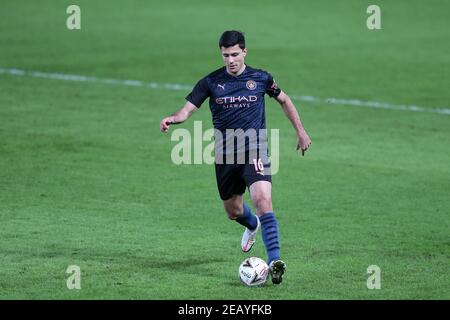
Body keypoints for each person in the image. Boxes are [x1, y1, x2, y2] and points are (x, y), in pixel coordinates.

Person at [160, 30, 311, 284]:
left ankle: (274, 261)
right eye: (225, 55)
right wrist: (174, 118)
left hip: (255, 150)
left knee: (263, 199)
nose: (230, 60)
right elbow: (188, 109)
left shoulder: (261, 78)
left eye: (234, 54)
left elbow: (284, 100)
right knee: (233, 211)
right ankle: (251, 225)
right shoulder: (211, 82)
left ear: (244, 52)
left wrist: (301, 131)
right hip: (225, 155)